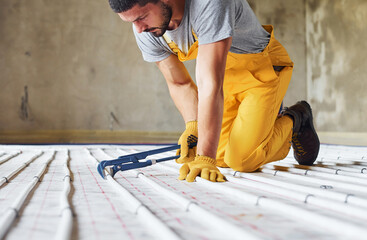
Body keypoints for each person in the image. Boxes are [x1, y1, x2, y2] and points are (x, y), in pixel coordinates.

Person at [107, 0, 320, 182]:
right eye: (131, 22)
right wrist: (193, 126)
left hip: (261, 73)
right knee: (220, 156)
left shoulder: (210, 4)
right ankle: (264, 126)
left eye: (141, 17)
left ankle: (296, 119)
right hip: (224, 81)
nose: (139, 29)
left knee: (241, 159)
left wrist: (204, 157)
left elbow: (210, 82)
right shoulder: (148, 31)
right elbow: (179, 84)